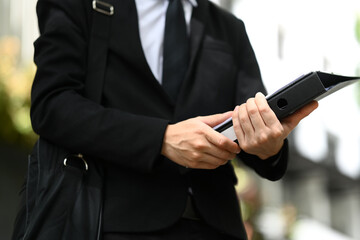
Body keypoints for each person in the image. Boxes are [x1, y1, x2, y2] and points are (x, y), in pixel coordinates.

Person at [30, 0, 318, 239]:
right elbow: (52, 105)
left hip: (215, 227)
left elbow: (252, 132)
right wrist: (162, 139)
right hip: (111, 222)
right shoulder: (80, 5)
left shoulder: (229, 29)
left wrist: (269, 147)